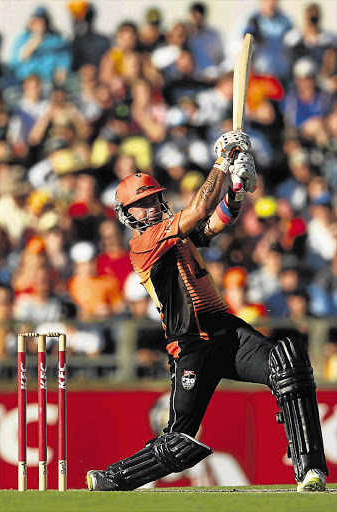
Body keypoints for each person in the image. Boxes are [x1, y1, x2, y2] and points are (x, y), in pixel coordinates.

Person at [86, 130, 328, 492]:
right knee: (179, 442)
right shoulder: (144, 243)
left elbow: (216, 221)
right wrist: (221, 161)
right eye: (142, 204)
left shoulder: (176, 233)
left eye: (155, 199)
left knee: (288, 363)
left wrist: (236, 187)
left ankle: (310, 471)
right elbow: (199, 208)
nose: (152, 206)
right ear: (127, 215)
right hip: (191, 345)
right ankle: (113, 479)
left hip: (226, 331)